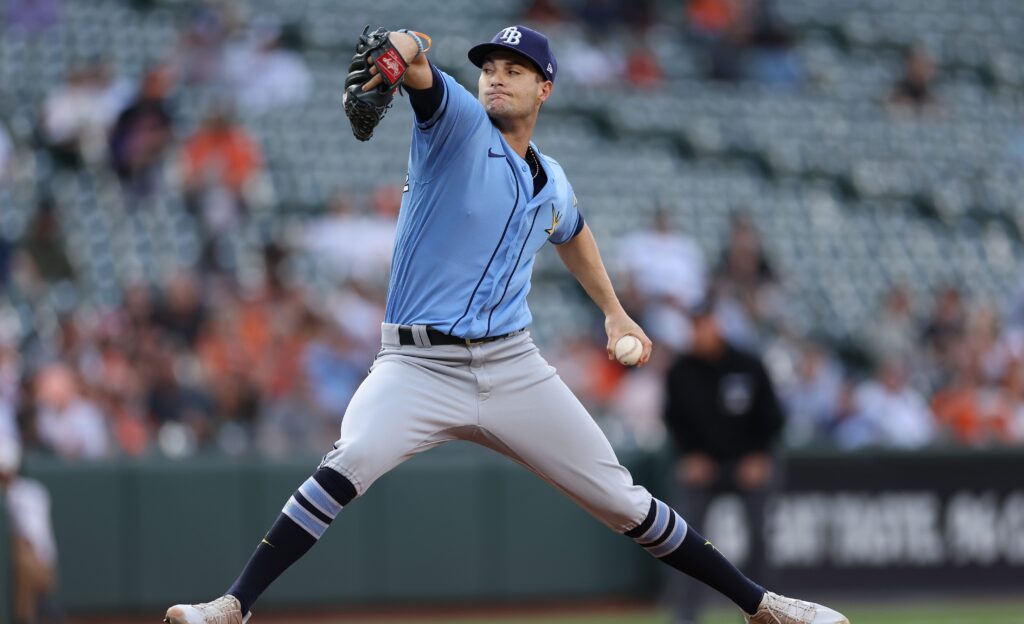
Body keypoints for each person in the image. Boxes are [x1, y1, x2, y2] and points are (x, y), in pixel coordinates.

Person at [164, 25, 848, 624]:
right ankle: (232, 606)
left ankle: (763, 607)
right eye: (490, 67)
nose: (496, 77)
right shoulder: (458, 126)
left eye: (514, 70)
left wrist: (613, 311)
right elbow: (413, 60)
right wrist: (400, 53)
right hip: (416, 366)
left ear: (544, 88)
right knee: (351, 459)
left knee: (623, 500)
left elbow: (572, 231)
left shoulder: (552, 178)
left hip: (511, 364)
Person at [663, 298, 786, 624]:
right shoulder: (680, 370)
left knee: (760, 537)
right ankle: (685, 617)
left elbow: (772, 417)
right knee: (682, 541)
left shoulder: (747, 363)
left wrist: (759, 456)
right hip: (703, 467)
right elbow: (673, 421)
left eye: (704, 323)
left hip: (748, 464)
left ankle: (767, 613)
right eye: (694, 324)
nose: (698, 331)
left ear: (718, 325)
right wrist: (689, 456)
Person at [1, 437, 64, 624]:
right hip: (36, 563)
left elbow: (29, 539)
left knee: (23, 557)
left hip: (37, 563)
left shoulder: (27, 494)